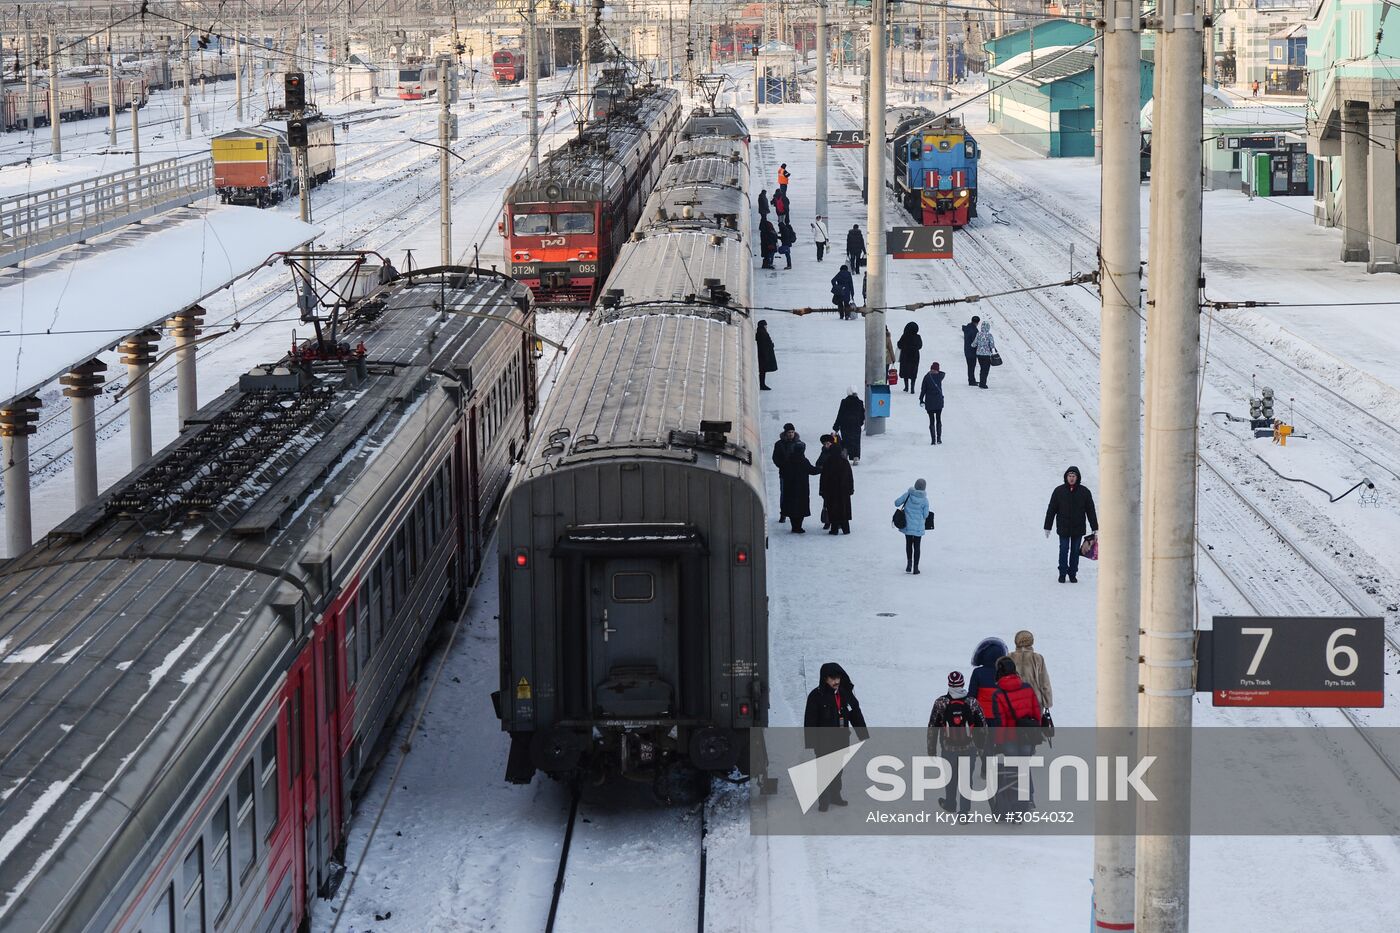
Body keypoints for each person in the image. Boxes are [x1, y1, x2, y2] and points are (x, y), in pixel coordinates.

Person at [803, 662, 868, 812]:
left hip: (841, 739)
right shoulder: (815, 696)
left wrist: (862, 733)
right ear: (825, 679)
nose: (836, 682)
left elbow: (855, 712)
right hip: (823, 742)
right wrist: (812, 742)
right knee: (824, 770)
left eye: (837, 678)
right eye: (832, 679)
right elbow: (810, 720)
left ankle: (835, 795)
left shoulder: (845, 693)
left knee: (838, 770)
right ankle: (823, 800)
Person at [987, 656, 1043, 814]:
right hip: (1027, 736)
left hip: (1009, 739)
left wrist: (998, 743)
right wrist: (1035, 732)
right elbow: (1036, 712)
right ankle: (1027, 801)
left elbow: (1001, 723)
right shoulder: (1026, 688)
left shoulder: (998, 695)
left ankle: (1013, 806)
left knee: (1012, 772)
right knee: (1024, 767)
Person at [927, 671, 986, 814]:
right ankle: (965, 813)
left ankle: (950, 804)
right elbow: (982, 726)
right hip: (969, 748)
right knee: (966, 780)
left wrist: (931, 749)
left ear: (949, 684)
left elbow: (932, 727)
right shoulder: (972, 702)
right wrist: (981, 747)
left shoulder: (941, 702)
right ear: (963, 683)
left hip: (948, 748)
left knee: (950, 777)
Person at [1043, 465, 1099, 583]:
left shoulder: (1085, 492)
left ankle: (1072, 574)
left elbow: (1090, 510)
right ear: (1066, 477)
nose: (1071, 478)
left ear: (1077, 477)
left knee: (1074, 551)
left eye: (1074, 476)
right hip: (1063, 527)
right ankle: (1062, 573)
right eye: (1069, 476)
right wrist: (1047, 526)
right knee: (1064, 549)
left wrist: (1095, 527)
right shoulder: (1059, 491)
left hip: (1078, 528)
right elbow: (1051, 509)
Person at [777, 429, 818, 532]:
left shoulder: (788, 461)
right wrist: (822, 469)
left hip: (789, 487)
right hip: (802, 489)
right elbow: (812, 470)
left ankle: (794, 526)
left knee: (791, 507)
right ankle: (798, 526)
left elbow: (784, 470)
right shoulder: (804, 461)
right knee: (800, 508)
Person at [1008, 630, 1052, 711]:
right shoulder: (1037, 658)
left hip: (1013, 700)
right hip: (1034, 700)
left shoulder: (1010, 657)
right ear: (1031, 641)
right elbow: (1044, 682)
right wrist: (1047, 702)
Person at [819, 436, 854, 535]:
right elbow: (850, 477)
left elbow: (823, 478)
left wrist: (822, 491)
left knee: (833, 510)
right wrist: (851, 489)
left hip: (831, 491)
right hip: (844, 491)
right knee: (844, 509)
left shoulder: (828, 463)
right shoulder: (844, 462)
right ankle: (846, 529)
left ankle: (834, 529)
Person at [894, 478, 930, 574]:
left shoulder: (908, 495)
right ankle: (916, 568)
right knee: (917, 546)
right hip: (918, 528)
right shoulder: (925, 500)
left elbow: (896, 503)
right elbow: (926, 515)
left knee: (908, 544)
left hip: (908, 526)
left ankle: (909, 565)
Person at [969, 636, 1009, 722]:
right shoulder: (1005, 672)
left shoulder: (978, 672)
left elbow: (972, 696)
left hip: (981, 715)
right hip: (1000, 715)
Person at [772, 423, 799, 522]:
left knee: (794, 493)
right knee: (784, 494)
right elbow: (775, 458)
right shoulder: (779, 444)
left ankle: (792, 513)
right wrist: (783, 465)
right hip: (784, 473)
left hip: (795, 474)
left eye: (792, 432)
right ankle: (783, 513)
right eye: (789, 432)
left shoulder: (798, 444)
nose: (791, 434)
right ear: (785, 433)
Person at [832, 388, 865, 464]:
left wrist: (836, 426)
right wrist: (860, 423)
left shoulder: (844, 402)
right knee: (856, 441)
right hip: (856, 425)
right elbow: (862, 415)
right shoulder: (860, 402)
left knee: (846, 440)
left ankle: (845, 454)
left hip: (845, 425)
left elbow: (840, 414)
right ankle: (855, 457)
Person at [918, 362, 945, 444]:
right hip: (939, 401)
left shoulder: (927, 377)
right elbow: (943, 373)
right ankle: (939, 438)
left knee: (931, 420)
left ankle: (933, 440)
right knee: (939, 419)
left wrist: (921, 399)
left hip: (929, 402)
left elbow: (923, 390)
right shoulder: (940, 376)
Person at [896, 321, 922, 393]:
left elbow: (899, 345)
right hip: (915, 356)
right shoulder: (918, 337)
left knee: (905, 371)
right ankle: (912, 388)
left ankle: (906, 387)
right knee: (913, 371)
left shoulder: (904, 336)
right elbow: (920, 346)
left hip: (905, 356)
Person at [972, 319, 996, 389]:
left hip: (979, 354)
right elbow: (992, 345)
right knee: (985, 370)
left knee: (982, 368)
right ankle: (983, 384)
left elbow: (974, 343)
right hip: (986, 355)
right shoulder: (989, 335)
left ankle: (981, 382)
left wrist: (971, 346)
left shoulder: (978, 334)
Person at [756, 319, 777, 389]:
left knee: (763, 371)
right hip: (764, 355)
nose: (766, 327)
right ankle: (762, 384)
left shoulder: (761, 332)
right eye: (765, 325)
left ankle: (762, 384)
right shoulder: (762, 333)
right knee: (762, 371)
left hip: (763, 354)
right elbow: (763, 345)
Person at [961, 315, 981, 386]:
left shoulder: (967, 328)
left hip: (966, 350)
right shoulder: (974, 330)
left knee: (970, 366)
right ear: (977, 322)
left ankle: (971, 380)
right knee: (972, 366)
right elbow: (975, 342)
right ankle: (971, 381)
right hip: (972, 351)